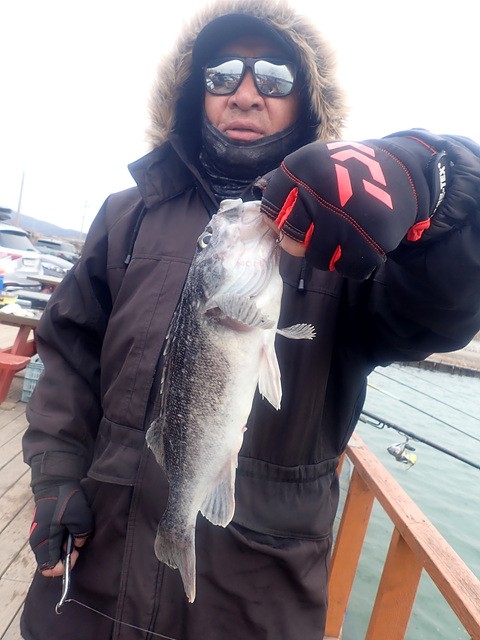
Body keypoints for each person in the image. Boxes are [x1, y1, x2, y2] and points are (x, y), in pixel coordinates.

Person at [20, 0, 480, 638]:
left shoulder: (347, 235)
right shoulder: (126, 214)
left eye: (274, 77)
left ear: (306, 100)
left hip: (253, 602)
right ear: (194, 90)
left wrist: (448, 187)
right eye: (220, 75)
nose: (244, 94)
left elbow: (434, 321)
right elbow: (68, 354)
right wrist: (56, 475)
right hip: (94, 583)